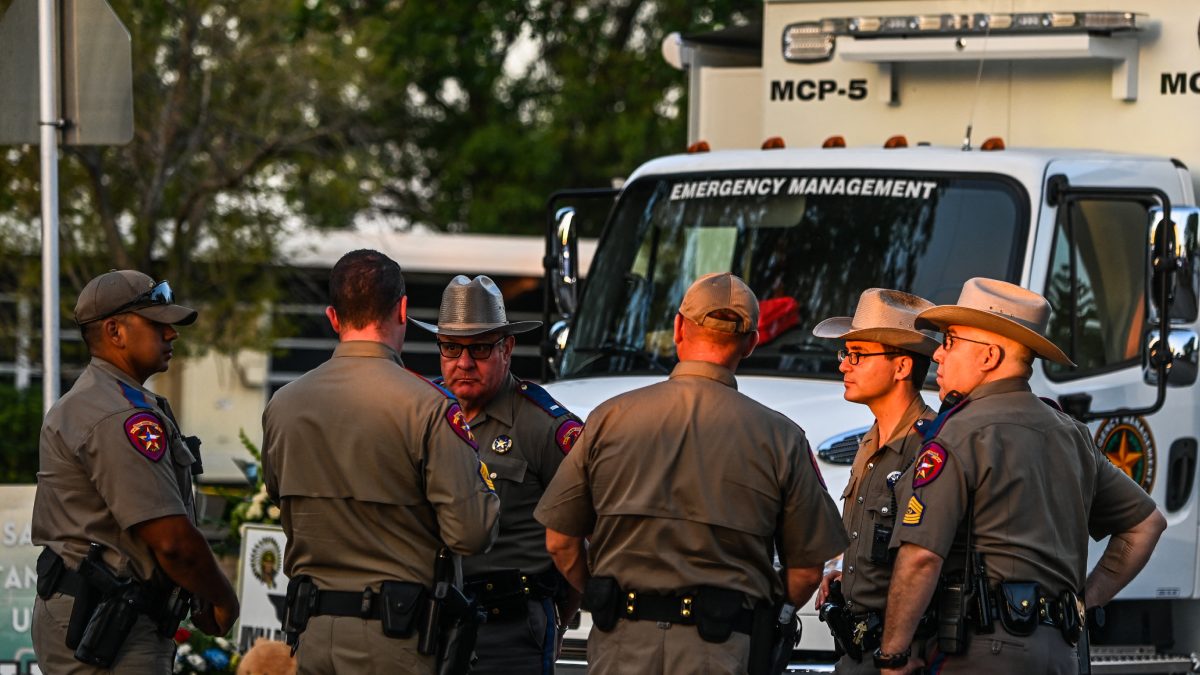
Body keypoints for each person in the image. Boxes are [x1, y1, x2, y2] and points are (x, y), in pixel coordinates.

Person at [535, 272, 848, 675]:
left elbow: (560, 541)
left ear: (679, 327)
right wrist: (765, 616)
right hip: (721, 650)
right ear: (752, 342)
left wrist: (602, 595)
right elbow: (806, 571)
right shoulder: (782, 437)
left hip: (621, 645)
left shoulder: (608, 419)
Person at [876, 277, 1168, 675]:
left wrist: (892, 657)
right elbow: (1146, 525)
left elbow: (921, 557)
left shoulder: (960, 433)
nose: (939, 356)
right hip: (1063, 656)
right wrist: (1086, 600)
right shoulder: (1072, 434)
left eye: (951, 341)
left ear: (989, 356)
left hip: (980, 654)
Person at [262, 250, 500, 675]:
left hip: (311, 634)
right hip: (395, 641)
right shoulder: (427, 405)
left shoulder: (283, 405)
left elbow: (282, 501)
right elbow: (472, 533)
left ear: (333, 317)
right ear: (403, 310)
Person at [32, 270, 240, 672]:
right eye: (157, 323)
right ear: (115, 331)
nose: (171, 334)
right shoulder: (116, 414)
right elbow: (173, 542)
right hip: (104, 622)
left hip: (103, 612)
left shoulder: (110, 398)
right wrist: (222, 599)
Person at [412, 274, 584, 675]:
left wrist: (561, 618)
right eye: (451, 347)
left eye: (481, 348)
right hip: (426, 621)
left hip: (510, 629)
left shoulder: (543, 426)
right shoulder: (419, 412)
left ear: (507, 348)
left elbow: (584, 533)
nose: (464, 362)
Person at [810, 289, 939, 674]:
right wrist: (848, 570)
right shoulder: (871, 439)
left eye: (858, 355)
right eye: (844, 354)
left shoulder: (928, 444)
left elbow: (926, 556)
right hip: (857, 648)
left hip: (897, 654)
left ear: (901, 368)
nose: (843, 366)